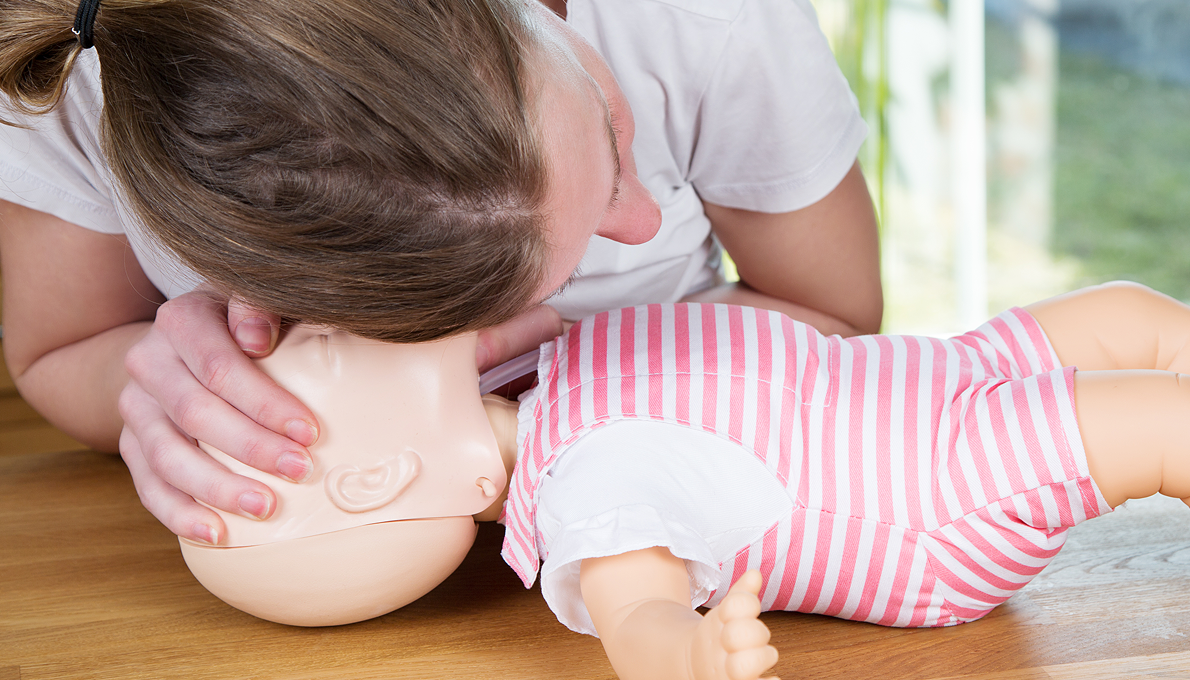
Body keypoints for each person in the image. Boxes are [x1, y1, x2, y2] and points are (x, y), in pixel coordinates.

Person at [0, 0, 881, 549]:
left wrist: (574, 384)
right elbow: (58, 353)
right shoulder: (57, 42)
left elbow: (838, 316)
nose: (643, 221)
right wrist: (160, 389)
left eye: (607, 133)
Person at [191, 281, 1190, 679]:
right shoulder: (585, 486)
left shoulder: (534, 378)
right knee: (1155, 422)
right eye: (319, 349)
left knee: (1128, 317)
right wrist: (692, 650)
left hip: (930, 374)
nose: (320, 316)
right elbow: (637, 620)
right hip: (931, 492)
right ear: (377, 478)